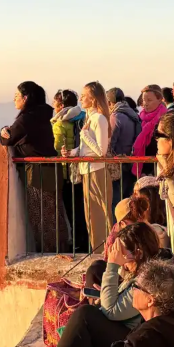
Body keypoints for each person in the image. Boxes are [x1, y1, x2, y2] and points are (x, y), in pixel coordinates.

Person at [24, 223, 161, 347]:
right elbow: (117, 302)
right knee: (95, 279)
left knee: (85, 316)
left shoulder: (145, 282)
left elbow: (111, 311)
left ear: (138, 253)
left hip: (129, 345)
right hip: (123, 331)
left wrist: (112, 266)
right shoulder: (138, 271)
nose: (120, 259)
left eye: (122, 252)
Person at [50, 260, 174, 347]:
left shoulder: (144, 337)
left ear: (150, 300)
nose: (132, 290)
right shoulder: (171, 322)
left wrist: (118, 346)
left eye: (136, 287)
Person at [0, 82, 71, 253]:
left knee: (41, 216)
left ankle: (49, 253)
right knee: (54, 215)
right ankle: (60, 249)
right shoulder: (42, 114)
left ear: (25, 98)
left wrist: (3, 131)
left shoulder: (27, 119)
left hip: (38, 174)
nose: (14, 99)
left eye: (17, 96)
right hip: (51, 170)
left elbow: (8, 139)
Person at [63, 82, 114, 252]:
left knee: (100, 215)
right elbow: (86, 148)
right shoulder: (90, 118)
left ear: (93, 99)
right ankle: (98, 250)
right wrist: (72, 152)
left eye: (84, 96)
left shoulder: (99, 119)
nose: (80, 99)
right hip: (88, 171)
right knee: (91, 216)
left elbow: (101, 151)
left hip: (97, 171)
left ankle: (105, 251)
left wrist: (84, 135)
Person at [52, 89, 90, 253]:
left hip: (67, 172)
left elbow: (56, 148)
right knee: (81, 209)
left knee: (71, 210)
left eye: (54, 103)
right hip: (82, 170)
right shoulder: (82, 117)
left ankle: (77, 243)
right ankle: (86, 241)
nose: (53, 106)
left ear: (61, 105)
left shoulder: (60, 123)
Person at [106, 87, 142, 208]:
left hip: (117, 163)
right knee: (127, 200)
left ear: (109, 103)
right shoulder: (132, 114)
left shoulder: (115, 117)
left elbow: (110, 143)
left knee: (116, 201)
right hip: (130, 162)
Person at [132, 85, 168, 177]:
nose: (145, 103)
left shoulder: (166, 119)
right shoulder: (140, 118)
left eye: (149, 100)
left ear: (159, 99)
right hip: (142, 169)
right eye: (144, 100)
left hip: (159, 169)